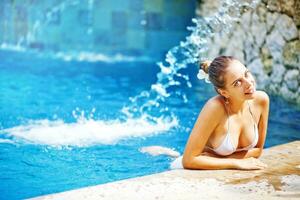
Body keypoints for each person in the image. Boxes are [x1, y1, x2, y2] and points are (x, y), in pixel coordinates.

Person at [174, 55, 269, 170]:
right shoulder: (215, 107)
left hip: (213, 163)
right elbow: (189, 160)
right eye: (237, 83)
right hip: (192, 170)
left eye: (246, 74)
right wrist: (235, 163)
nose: (249, 83)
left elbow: (258, 151)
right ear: (224, 92)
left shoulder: (261, 100)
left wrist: (221, 159)